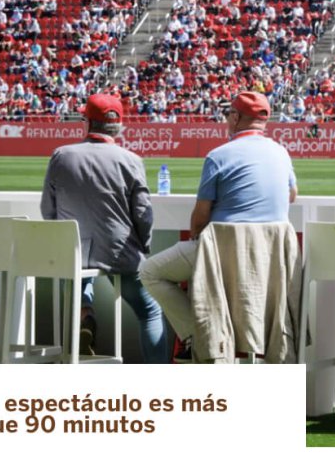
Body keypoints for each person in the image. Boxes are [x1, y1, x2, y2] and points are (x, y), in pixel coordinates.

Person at [140, 92, 297, 361]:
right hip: (269, 256)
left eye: (228, 115)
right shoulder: (281, 153)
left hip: (222, 251)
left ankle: (197, 334)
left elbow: (200, 216)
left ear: (236, 117)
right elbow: (291, 195)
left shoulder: (219, 155)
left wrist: (197, 238)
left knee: (149, 272)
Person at [40, 94, 169, 363]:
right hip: (118, 251)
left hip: (73, 252)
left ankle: (86, 314)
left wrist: (61, 241)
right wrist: (143, 246)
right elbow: (143, 213)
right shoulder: (131, 160)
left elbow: (47, 209)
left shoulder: (61, 156)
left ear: (87, 122)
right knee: (150, 311)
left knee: (80, 272)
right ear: (119, 126)